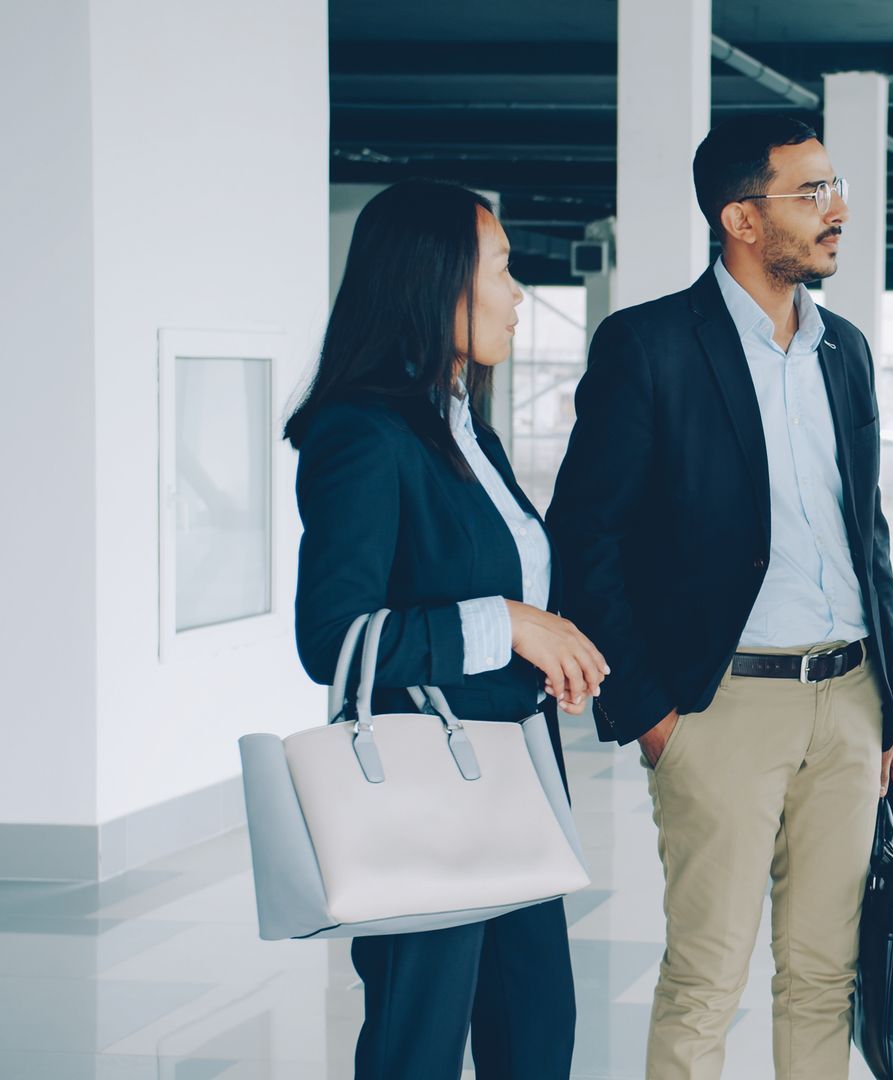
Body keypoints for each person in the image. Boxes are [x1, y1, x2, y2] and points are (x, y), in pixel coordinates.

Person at [544, 114, 893, 1080]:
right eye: (812, 193)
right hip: (721, 706)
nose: (838, 211)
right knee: (705, 980)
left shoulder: (845, 350)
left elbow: (866, 534)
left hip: (849, 702)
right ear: (742, 219)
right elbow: (586, 535)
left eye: (836, 188)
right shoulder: (650, 345)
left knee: (825, 977)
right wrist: (652, 715)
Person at [286, 179, 607, 1079]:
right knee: (418, 1043)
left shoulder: (467, 428)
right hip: (426, 785)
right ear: (433, 281)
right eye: (500, 269)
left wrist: (546, 643)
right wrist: (506, 625)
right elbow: (333, 638)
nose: (517, 294)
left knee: (535, 1029)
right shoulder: (361, 433)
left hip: (514, 773)